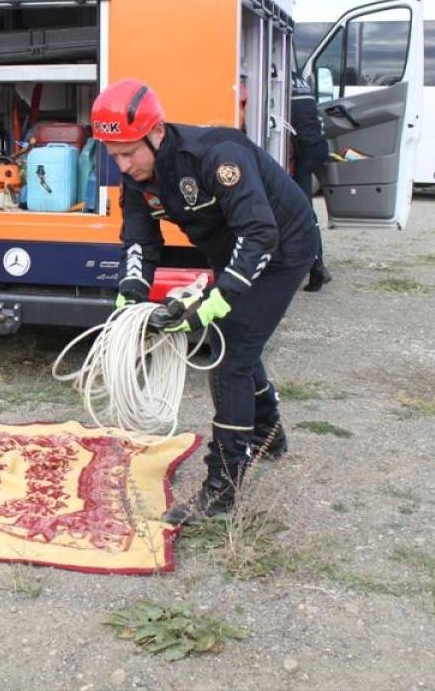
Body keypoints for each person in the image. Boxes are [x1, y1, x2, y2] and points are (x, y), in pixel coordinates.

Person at [92, 79, 318, 523]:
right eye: (112, 154)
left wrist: (215, 301)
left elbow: (260, 234)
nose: (121, 164)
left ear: (155, 134)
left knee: (230, 353)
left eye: (128, 153)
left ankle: (223, 486)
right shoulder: (137, 179)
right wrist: (131, 295)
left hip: (282, 247)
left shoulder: (217, 156)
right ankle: (269, 432)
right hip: (232, 250)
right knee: (238, 341)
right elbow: (139, 242)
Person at [289, 73, 333, 292]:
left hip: (305, 153)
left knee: (303, 212)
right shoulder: (300, 80)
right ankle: (316, 265)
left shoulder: (277, 79)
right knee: (305, 210)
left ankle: (317, 267)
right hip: (318, 146)